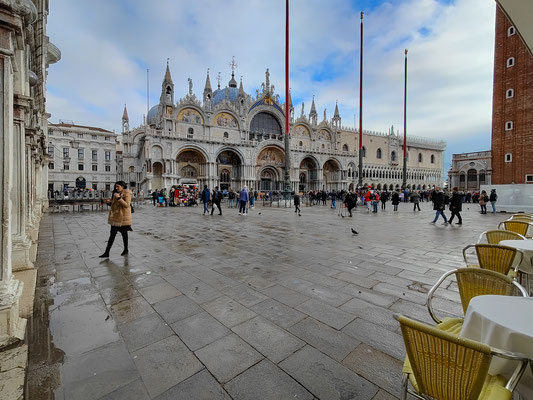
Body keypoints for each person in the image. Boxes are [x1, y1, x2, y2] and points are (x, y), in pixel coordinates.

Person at [100, 181, 132, 257]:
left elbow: (127, 205)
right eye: (116, 186)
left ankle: (125, 249)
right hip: (116, 218)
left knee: (124, 235)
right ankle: (107, 252)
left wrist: (118, 198)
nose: (116, 188)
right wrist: (108, 203)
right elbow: (114, 206)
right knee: (112, 235)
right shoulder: (116, 193)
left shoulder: (126, 193)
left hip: (123, 218)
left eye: (118, 186)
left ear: (122, 186)